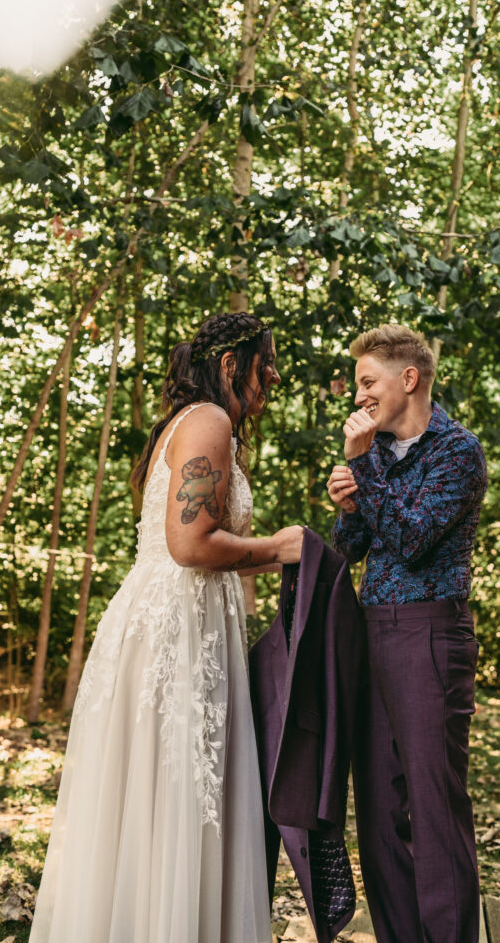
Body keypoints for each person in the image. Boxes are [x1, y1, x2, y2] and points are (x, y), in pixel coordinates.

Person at [29, 311, 304, 943]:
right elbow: (189, 544)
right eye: (266, 362)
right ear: (231, 364)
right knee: (177, 798)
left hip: (182, 621)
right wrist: (276, 546)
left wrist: (277, 561)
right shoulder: (209, 421)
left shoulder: (192, 422)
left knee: (167, 800)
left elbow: (194, 543)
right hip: (176, 634)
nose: (275, 376)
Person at [327, 324, 487, 943]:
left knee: (434, 804)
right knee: (377, 808)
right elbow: (354, 548)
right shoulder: (379, 453)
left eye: (369, 381)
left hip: (430, 634)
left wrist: (362, 468)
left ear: (409, 379)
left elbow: (415, 539)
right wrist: (349, 506)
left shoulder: (457, 450)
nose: (360, 395)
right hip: (372, 632)